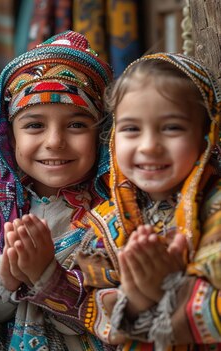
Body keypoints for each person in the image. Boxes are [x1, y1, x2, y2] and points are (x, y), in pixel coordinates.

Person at [77, 52, 221, 350]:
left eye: (171, 128)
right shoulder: (105, 221)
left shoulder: (216, 212)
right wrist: (135, 300)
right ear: (113, 137)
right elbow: (90, 307)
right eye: (131, 129)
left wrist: (171, 289)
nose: (149, 146)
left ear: (207, 135)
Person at [0, 30, 114, 350]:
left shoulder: (113, 218)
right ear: (10, 137)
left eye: (76, 124)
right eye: (34, 125)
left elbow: (114, 320)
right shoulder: (4, 210)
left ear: (102, 132)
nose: (55, 141)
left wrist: (46, 276)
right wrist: (11, 280)